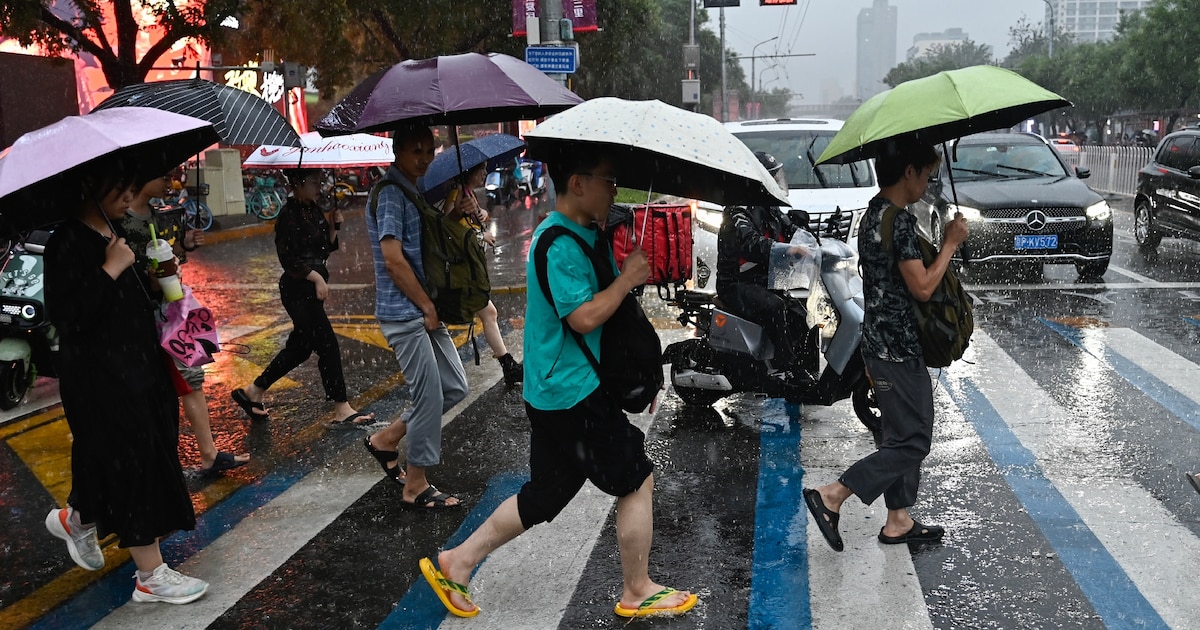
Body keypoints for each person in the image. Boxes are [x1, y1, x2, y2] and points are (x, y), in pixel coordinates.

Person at [418, 152, 697, 620]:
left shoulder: (590, 234)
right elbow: (584, 316)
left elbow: (612, 318)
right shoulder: (557, 243)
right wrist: (627, 277)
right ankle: (637, 589)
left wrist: (638, 369)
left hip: (561, 390)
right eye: (608, 180)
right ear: (578, 182)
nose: (614, 190)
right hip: (571, 392)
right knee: (636, 479)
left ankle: (457, 561)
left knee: (545, 494)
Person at [43, 159, 208, 604]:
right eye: (122, 189)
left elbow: (124, 304)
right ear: (93, 189)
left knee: (130, 455)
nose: (130, 198)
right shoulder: (67, 242)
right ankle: (150, 575)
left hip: (139, 368)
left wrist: (154, 283)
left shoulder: (115, 235)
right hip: (100, 378)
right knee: (132, 463)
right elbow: (68, 316)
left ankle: (77, 520)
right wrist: (109, 269)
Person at [803, 137, 968, 552]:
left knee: (897, 434)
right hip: (897, 347)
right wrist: (950, 243)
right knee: (914, 440)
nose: (928, 184)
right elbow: (924, 287)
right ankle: (833, 495)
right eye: (926, 176)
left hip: (878, 341)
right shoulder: (896, 221)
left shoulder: (874, 213)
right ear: (908, 172)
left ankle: (898, 519)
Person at [362, 123, 468, 506]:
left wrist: (455, 215)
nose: (424, 158)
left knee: (454, 387)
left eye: (430, 150)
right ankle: (416, 486)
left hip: (425, 309)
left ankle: (386, 440)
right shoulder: (391, 194)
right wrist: (425, 306)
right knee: (427, 398)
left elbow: (425, 248)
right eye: (416, 151)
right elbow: (393, 260)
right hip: (405, 312)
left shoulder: (412, 191)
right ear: (398, 151)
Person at [123, 172, 250, 475]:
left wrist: (186, 245)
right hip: (139, 319)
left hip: (172, 311)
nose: (170, 181)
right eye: (163, 175)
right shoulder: (119, 225)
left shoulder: (163, 217)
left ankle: (208, 454)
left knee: (191, 377)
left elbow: (172, 257)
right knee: (147, 391)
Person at [230, 169, 374, 427]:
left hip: (310, 288)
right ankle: (342, 408)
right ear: (297, 183)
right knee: (327, 344)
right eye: (314, 182)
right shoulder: (288, 215)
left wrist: (332, 226)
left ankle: (254, 391)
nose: (320, 186)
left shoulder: (314, 209)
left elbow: (324, 250)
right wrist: (315, 278)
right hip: (297, 289)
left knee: (300, 348)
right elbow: (288, 259)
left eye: (320, 181)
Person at [715, 151, 813, 380]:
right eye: (772, 177)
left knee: (801, 312)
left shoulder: (769, 208)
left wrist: (815, 241)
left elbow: (791, 229)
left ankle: (803, 364)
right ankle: (786, 368)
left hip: (761, 280)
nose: (777, 182)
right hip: (736, 283)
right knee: (774, 307)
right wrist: (785, 249)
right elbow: (750, 243)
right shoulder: (737, 210)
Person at [439, 163, 523, 386]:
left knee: (485, 313)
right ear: (471, 172)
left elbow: (469, 224)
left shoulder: (469, 195)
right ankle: (508, 365)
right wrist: (480, 236)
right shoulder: (456, 196)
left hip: (470, 269)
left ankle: (508, 366)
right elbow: (449, 233)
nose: (485, 173)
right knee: (486, 313)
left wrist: (482, 216)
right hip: (462, 272)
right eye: (481, 169)